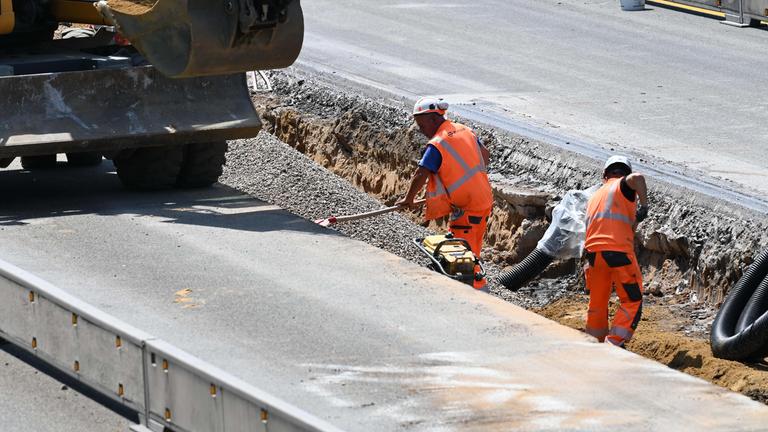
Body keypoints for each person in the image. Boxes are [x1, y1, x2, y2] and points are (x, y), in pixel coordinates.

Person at [397, 97, 493, 291]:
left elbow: (421, 173)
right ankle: (475, 284)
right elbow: (485, 156)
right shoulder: (465, 130)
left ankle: (474, 290)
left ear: (433, 118)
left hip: (468, 206)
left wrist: (409, 199)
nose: (422, 130)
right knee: (472, 246)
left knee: (463, 252)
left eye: (422, 125)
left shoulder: (438, 143)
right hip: (483, 198)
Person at [583, 155, 648, 347]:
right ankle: (614, 343)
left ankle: (595, 341)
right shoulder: (622, 185)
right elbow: (638, 179)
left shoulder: (596, 196)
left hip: (594, 255)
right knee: (632, 300)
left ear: (604, 174)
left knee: (598, 303)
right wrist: (644, 206)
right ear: (623, 174)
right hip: (618, 252)